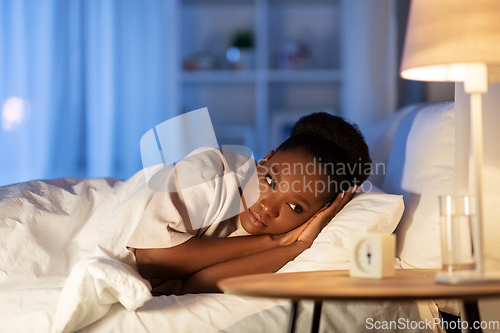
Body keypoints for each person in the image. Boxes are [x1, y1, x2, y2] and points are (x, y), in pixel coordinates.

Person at [127, 112, 372, 295]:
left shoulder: (285, 239)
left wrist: (296, 248)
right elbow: (151, 260)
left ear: (318, 214)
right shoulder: (211, 171)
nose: (268, 207)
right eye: (270, 180)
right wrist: (272, 242)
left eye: (295, 207)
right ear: (264, 159)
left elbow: (191, 287)